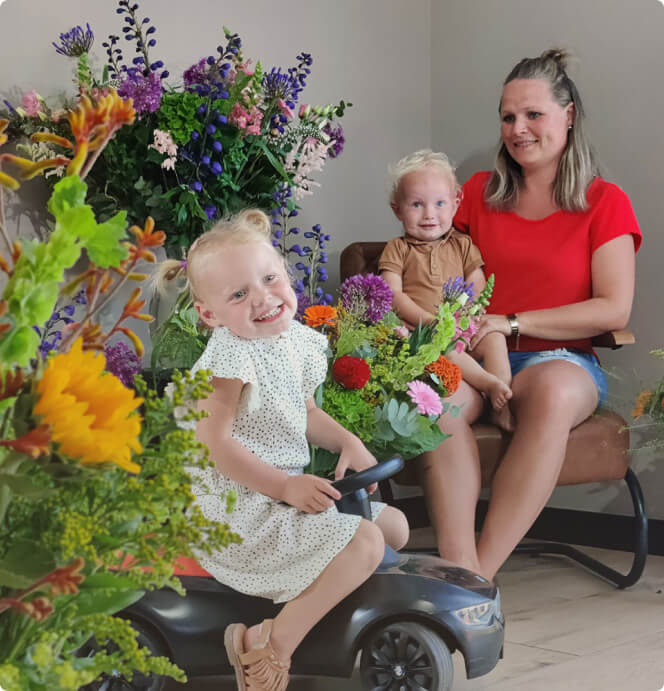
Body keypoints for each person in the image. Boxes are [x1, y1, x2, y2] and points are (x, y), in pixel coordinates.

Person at [155, 208, 409, 690]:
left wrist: (347, 440)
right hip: (236, 509)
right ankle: (269, 643)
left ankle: (319, 612)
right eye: (238, 294)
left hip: (275, 497)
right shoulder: (229, 357)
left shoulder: (296, 340)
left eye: (270, 279)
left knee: (393, 525)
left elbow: (306, 412)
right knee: (366, 540)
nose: (263, 299)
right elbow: (215, 445)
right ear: (210, 315)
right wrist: (287, 485)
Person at [418, 49, 641, 582]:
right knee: (439, 398)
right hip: (476, 357)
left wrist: (512, 322)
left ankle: (479, 580)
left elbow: (613, 307)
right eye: (508, 116)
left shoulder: (605, 202)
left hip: (562, 361)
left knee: (553, 395)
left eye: (533, 115)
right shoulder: (473, 193)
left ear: (569, 115)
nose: (518, 129)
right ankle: (459, 568)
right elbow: (436, 272)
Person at [379, 149, 513, 429]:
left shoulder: (462, 244)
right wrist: (429, 322)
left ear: (456, 203)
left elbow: (477, 281)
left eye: (439, 203)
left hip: (461, 324)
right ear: (397, 209)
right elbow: (393, 295)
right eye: (416, 204)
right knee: (446, 346)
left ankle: (503, 400)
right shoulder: (398, 249)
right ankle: (488, 384)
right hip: (421, 331)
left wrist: (467, 312)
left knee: (496, 339)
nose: (429, 214)